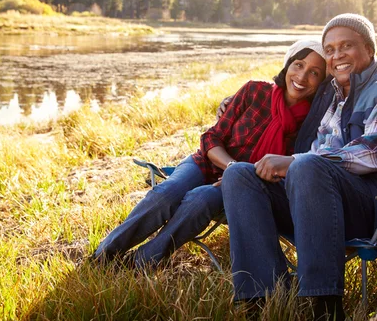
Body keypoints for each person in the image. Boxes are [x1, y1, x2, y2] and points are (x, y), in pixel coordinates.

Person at [221, 14, 377, 320]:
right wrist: (235, 102)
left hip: (375, 209)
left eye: (347, 46)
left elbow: (373, 153)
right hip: (318, 205)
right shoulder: (333, 96)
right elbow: (309, 128)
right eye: (330, 49)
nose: (336, 55)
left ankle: (324, 307)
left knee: (307, 166)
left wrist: (295, 162)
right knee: (239, 174)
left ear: (369, 49)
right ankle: (263, 299)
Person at [92, 40, 327, 269]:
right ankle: (103, 254)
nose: (302, 77)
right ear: (288, 65)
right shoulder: (255, 90)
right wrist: (234, 167)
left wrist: (240, 178)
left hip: (243, 187)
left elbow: (286, 172)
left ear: (322, 82)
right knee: (166, 193)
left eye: (314, 73)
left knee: (199, 201)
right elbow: (212, 138)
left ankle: (140, 262)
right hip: (207, 162)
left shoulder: (311, 125)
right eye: (299, 65)